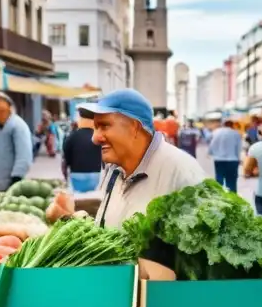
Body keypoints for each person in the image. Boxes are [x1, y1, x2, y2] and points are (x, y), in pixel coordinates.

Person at [79, 89, 204, 228]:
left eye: (104, 126)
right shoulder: (114, 169)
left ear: (134, 127)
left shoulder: (182, 172)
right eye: (95, 128)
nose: (95, 139)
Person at [0, 92, 33, 192]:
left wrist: (15, 182)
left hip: (7, 187)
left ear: (7, 109)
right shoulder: (2, 127)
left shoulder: (17, 126)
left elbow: (24, 157)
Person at [61, 110, 102, 193]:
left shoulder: (72, 136)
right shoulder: (98, 136)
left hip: (77, 176)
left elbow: (65, 160)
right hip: (96, 176)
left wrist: (65, 177)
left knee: (78, 202)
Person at [208, 120, 243, 192]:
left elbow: (212, 144)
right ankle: (232, 200)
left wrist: (211, 153)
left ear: (224, 125)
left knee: (219, 181)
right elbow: (238, 148)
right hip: (232, 160)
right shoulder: (235, 133)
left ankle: (219, 199)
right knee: (231, 182)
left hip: (218, 160)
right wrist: (238, 159)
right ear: (232, 125)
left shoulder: (216, 132)